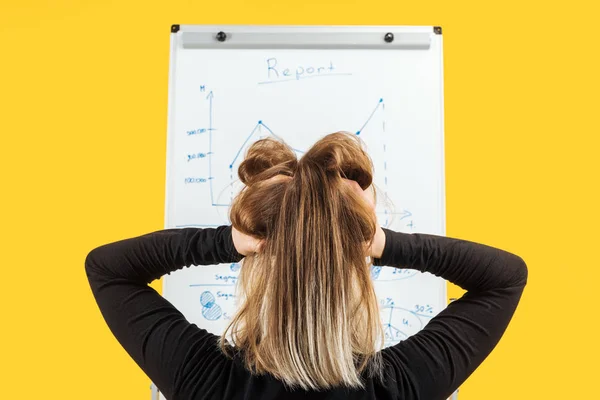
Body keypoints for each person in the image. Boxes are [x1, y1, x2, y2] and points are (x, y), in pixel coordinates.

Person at [85, 132, 528, 400]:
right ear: (353, 275)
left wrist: (230, 240)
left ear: (256, 265)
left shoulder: (207, 381)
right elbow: (503, 278)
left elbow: (108, 268)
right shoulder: (396, 387)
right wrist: (380, 243)